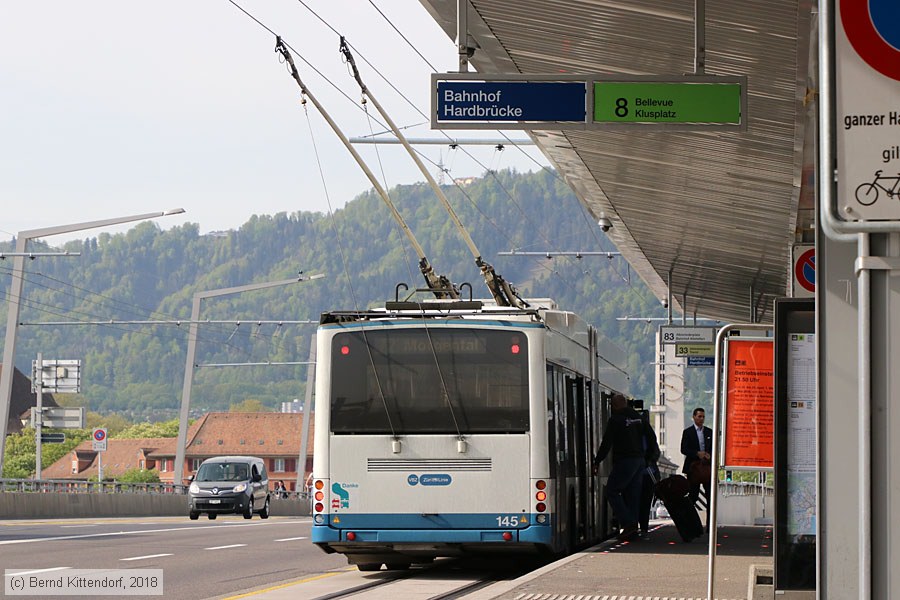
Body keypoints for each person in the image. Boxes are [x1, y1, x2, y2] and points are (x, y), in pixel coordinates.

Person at [592, 393, 656, 541]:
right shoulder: (639, 418)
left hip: (625, 460)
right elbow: (652, 438)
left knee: (612, 491)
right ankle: (632, 529)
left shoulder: (615, 419)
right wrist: (648, 459)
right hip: (639, 461)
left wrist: (597, 461)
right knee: (633, 495)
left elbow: (607, 443)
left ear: (614, 406)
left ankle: (628, 524)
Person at [680, 407, 713, 526]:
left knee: (710, 496)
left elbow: (714, 448)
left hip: (707, 468)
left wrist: (709, 455)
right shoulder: (688, 432)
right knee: (693, 496)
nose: (701, 419)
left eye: (703, 417)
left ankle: (710, 525)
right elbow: (683, 449)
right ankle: (689, 522)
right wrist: (696, 453)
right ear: (694, 417)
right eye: (699, 416)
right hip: (693, 468)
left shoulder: (709, 432)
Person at [637, 410, 661, 536]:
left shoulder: (648, 436)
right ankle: (640, 527)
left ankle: (643, 527)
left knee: (644, 501)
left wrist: (648, 460)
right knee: (641, 501)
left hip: (646, 473)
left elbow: (656, 453)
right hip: (642, 473)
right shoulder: (648, 435)